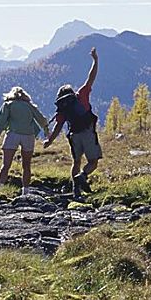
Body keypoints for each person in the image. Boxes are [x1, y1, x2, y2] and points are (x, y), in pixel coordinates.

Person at [43, 47, 102, 197]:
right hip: (88, 132)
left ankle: (76, 190)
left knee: (76, 162)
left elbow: (58, 127)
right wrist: (95, 60)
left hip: (74, 136)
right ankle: (82, 177)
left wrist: (49, 141)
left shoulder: (63, 109)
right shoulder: (81, 95)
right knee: (93, 162)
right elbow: (91, 77)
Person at [0, 86, 49, 195]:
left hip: (12, 134)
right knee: (26, 165)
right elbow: (41, 119)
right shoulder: (30, 106)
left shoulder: (8, 105)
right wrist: (47, 131)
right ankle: (26, 191)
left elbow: (1, 118)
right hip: (28, 135)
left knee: (6, 164)